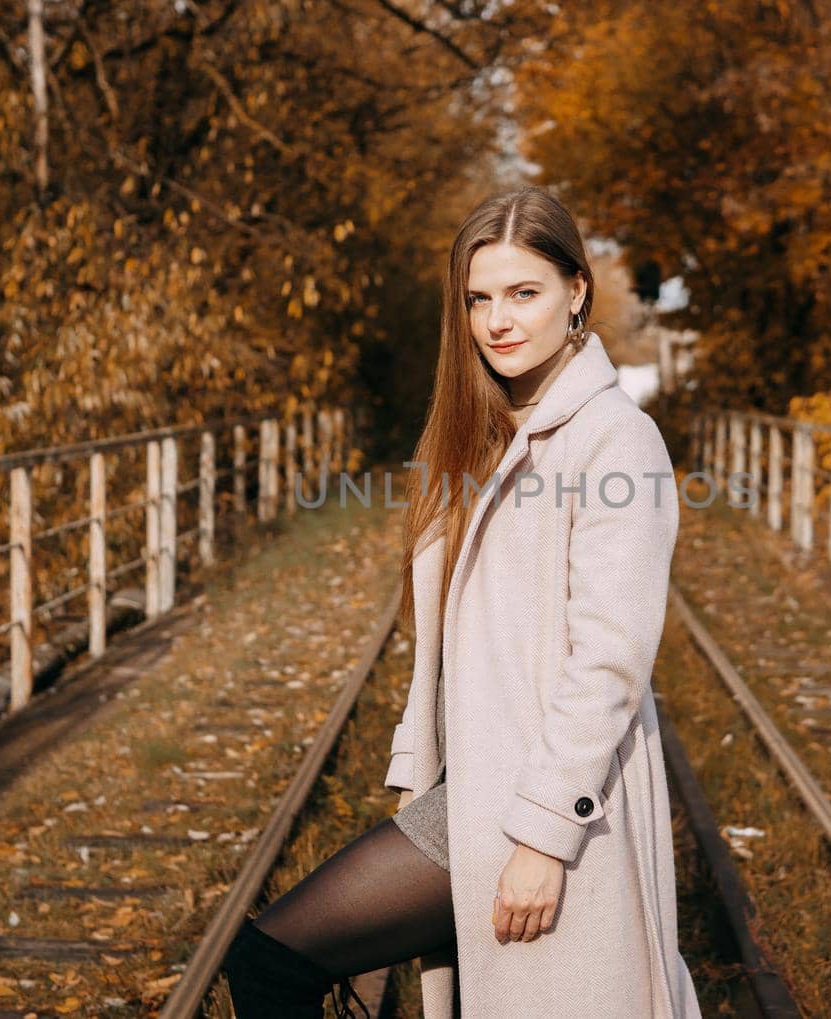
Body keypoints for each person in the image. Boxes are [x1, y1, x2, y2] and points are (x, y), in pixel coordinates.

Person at [221, 185, 701, 1018]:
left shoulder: (614, 438)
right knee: (275, 959)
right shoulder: (484, 428)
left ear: (576, 292)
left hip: (537, 800)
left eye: (525, 292)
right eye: (479, 298)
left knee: (273, 959)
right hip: (476, 790)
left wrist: (545, 838)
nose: (497, 320)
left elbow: (611, 663)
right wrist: (421, 767)